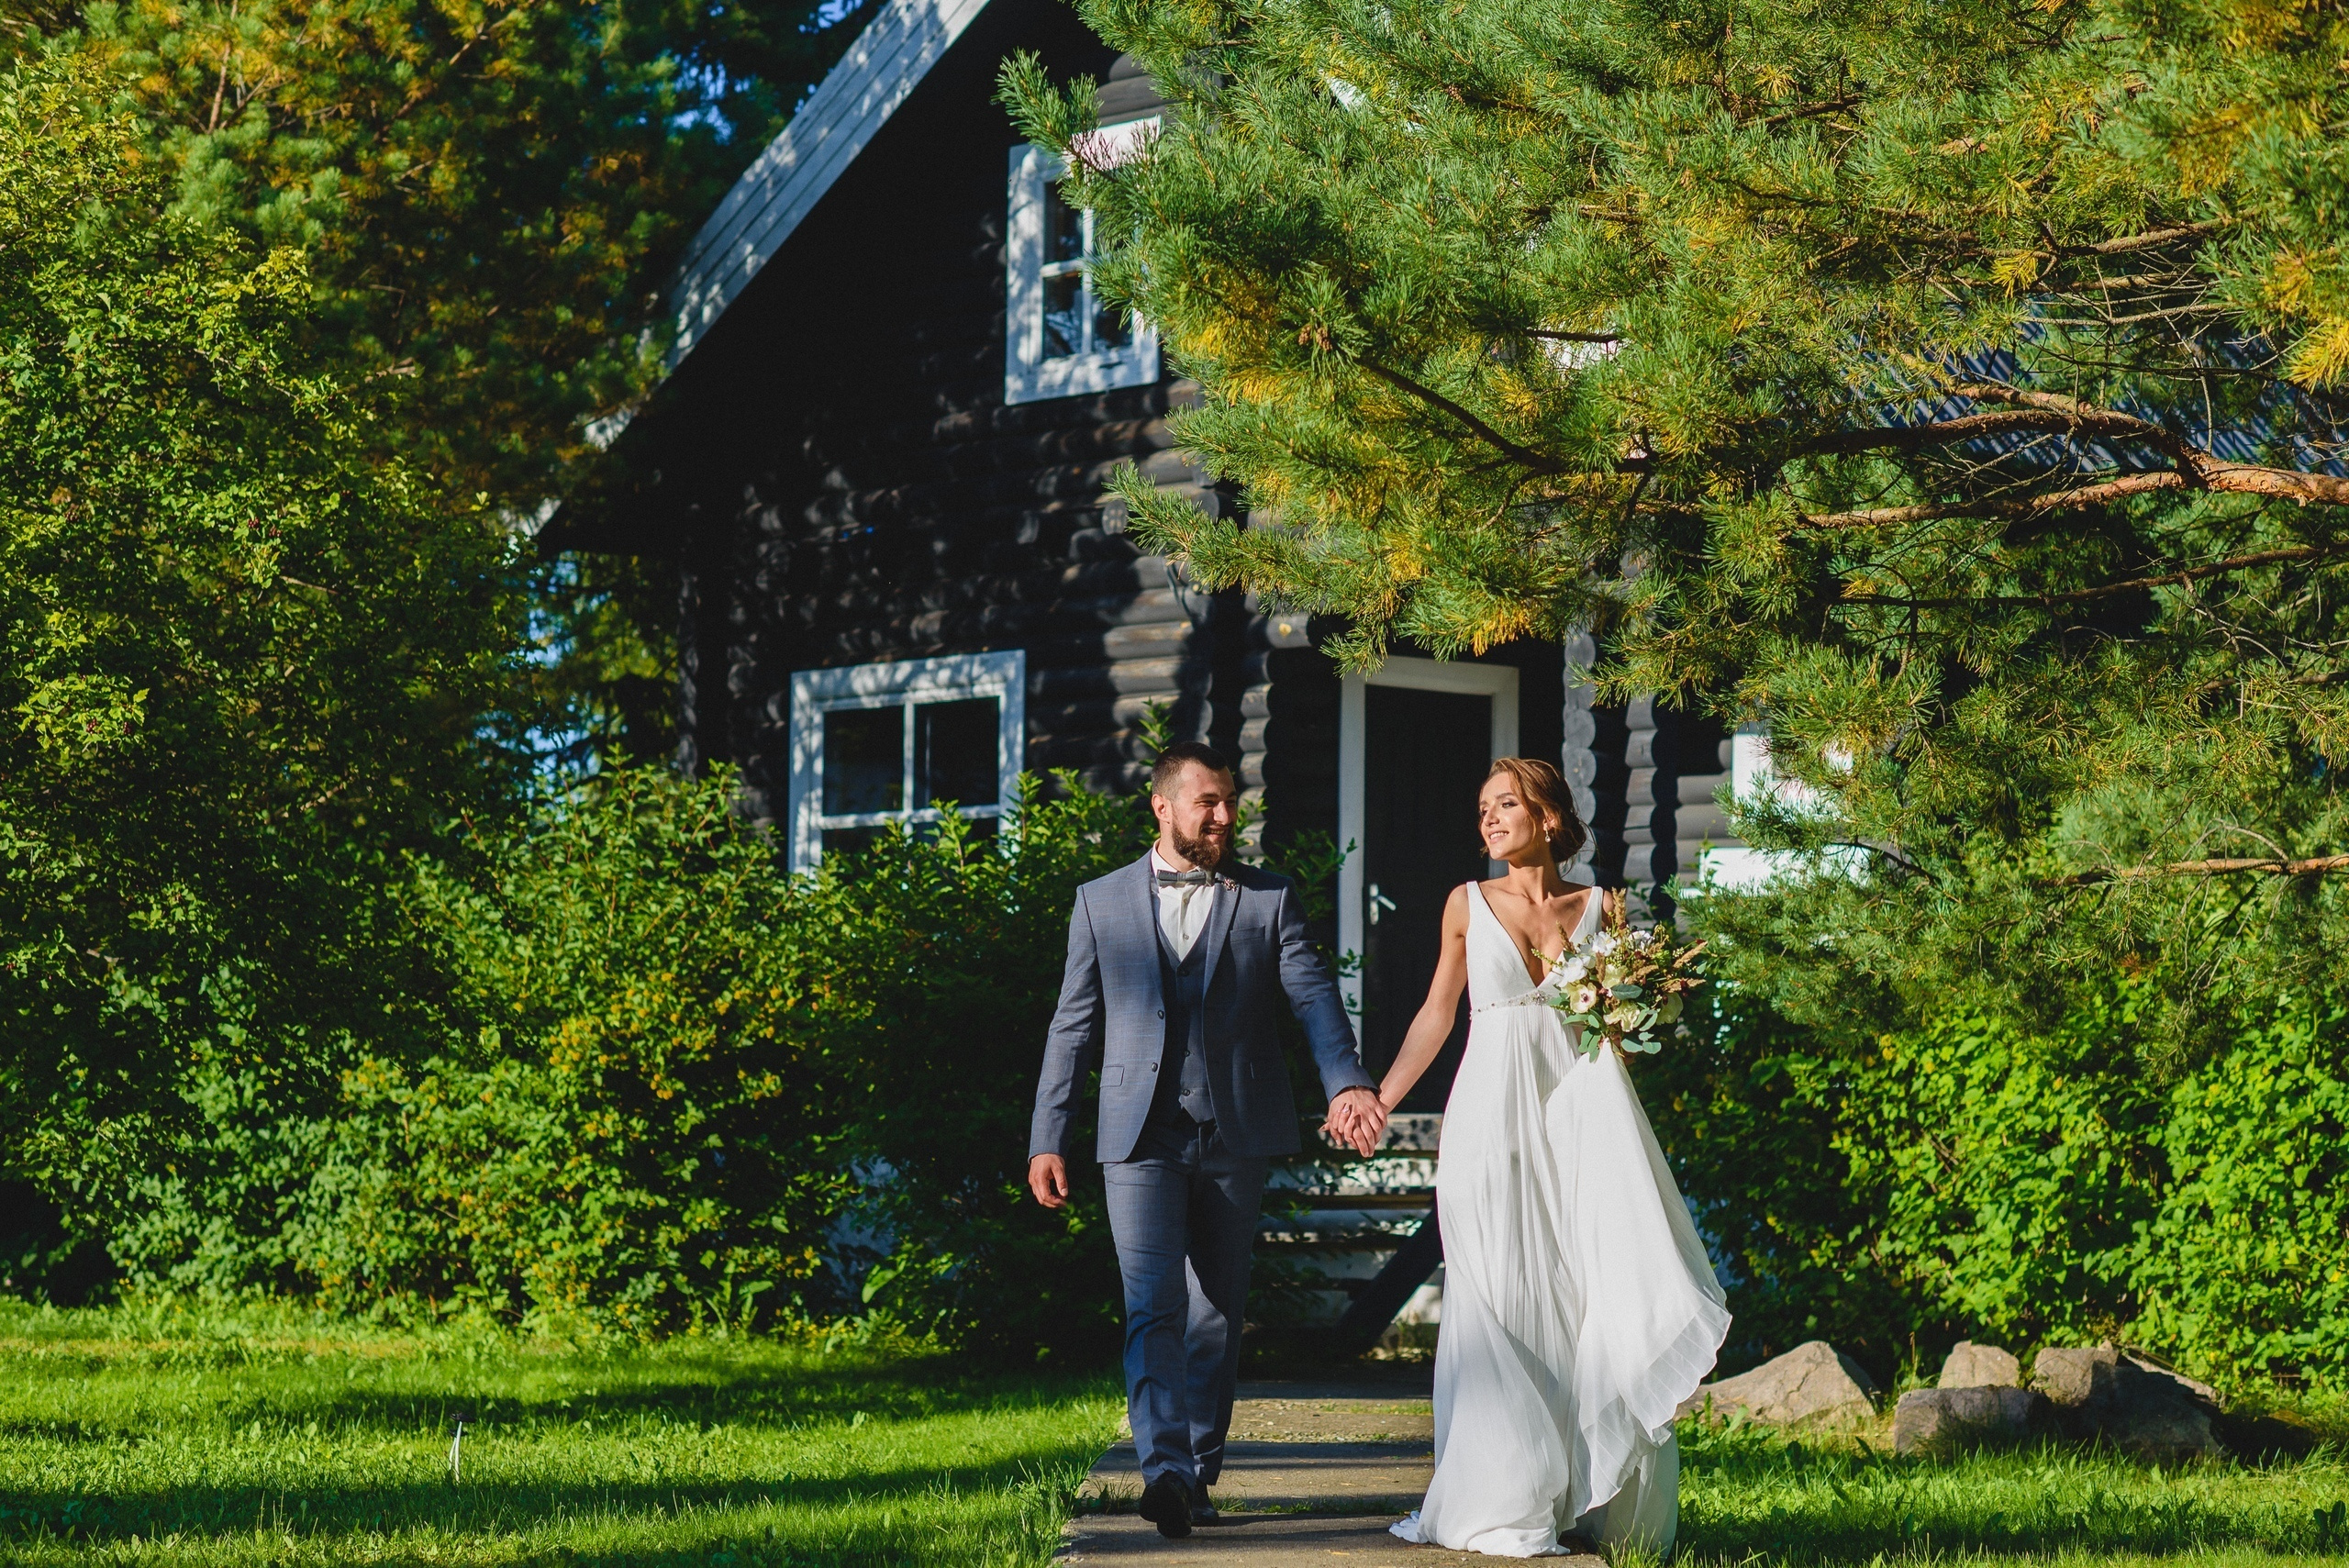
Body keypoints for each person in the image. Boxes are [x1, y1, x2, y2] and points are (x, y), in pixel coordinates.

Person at [1027, 741, 1389, 1540]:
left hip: (1235, 1130)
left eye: (1230, 801)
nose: (1225, 816)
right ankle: (1162, 1470)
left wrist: (1347, 1081)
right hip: (1138, 1134)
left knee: (1216, 1313)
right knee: (1151, 1303)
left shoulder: (1267, 898)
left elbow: (1313, 996)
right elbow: (1073, 1025)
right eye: (1208, 802)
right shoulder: (1101, 901)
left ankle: (1196, 1469)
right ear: (1163, 806)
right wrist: (1046, 1134)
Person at [1383, 757, 1730, 1557]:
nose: (1489, 819)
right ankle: (1504, 1491)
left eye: (1505, 804)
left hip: (1582, 1109)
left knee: (1587, 1285)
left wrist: (1638, 1020)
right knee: (1497, 1282)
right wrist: (1382, 1096)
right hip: (1490, 1113)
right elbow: (1437, 1016)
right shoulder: (1466, 905)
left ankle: (1585, 1491)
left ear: (1546, 816)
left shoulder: (1603, 905)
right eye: (1481, 808)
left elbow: (1624, 1025)